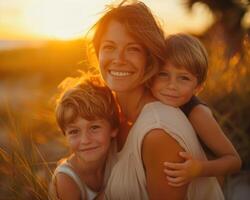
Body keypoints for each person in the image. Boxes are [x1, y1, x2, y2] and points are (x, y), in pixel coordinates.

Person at [90, 0, 225, 199]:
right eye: (109, 47)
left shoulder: (158, 133)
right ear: (97, 53)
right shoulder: (112, 117)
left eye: (133, 49)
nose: (119, 58)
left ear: (151, 58)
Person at [151, 33, 242, 187]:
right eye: (163, 74)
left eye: (184, 78)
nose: (171, 85)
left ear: (198, 87)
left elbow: (234, 160)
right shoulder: (153, 102)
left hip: (206, 189)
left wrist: (199, 169)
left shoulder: (197, 113)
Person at [49, 74, 119, 200]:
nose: (85, 140)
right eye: (74, 131)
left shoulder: (118, 153)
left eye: (94, 128)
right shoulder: (66, 179)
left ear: (114, 128)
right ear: (65, 134)